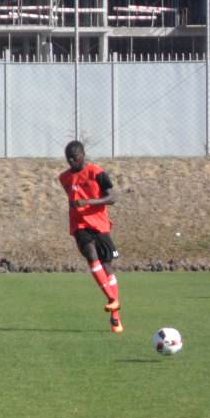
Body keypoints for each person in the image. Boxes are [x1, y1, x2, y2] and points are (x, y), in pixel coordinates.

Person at [58, 140, 123, 333]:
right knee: (90, 254)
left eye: (74, 157)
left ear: (83, 154)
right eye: (68, 158)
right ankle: (111, 298)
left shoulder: (97, 173)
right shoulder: (64, 178)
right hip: (79, 225)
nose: (70, 161)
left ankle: (115, 314)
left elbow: (112, 198)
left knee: (107, 266)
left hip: (100, 225)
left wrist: (88, 202)